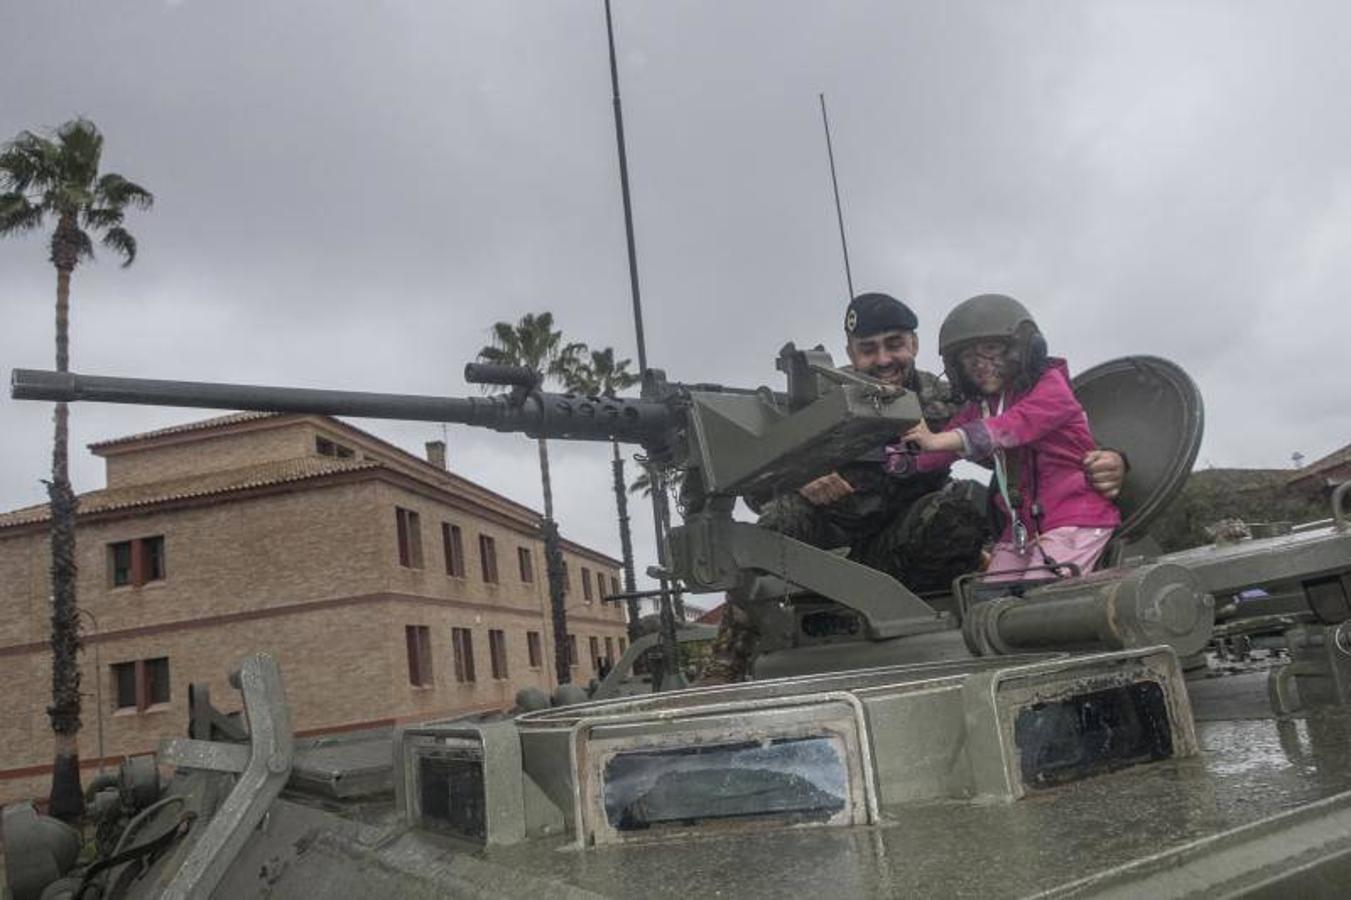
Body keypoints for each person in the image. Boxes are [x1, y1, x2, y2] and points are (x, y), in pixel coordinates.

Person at [698, 292, 1126, 683]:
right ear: (850, 353)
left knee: (960, 511)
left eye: (894, 344)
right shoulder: (817, 402)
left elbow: (1022, 430)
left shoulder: (947, 398)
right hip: (826, 545)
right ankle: (730, 660)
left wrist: (1113, 460)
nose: (883, 359)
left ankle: (933, 630)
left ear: (914, 344)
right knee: (775, 523)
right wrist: (799, 476)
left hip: (901, 545)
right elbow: (752, 476)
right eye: (869, 349)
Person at [894, 293, 1121, 579]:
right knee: (991, 601)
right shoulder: (981, 407)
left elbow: (1009, 427)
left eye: (991, 349)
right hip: (1022, 528)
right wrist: (902, 460)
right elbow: (938, 452)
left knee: (1042, 600)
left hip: (1074, 517)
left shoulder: (1051, 390)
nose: (979, 363)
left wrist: (937, 439)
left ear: (1024, 349)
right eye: (968, 356)